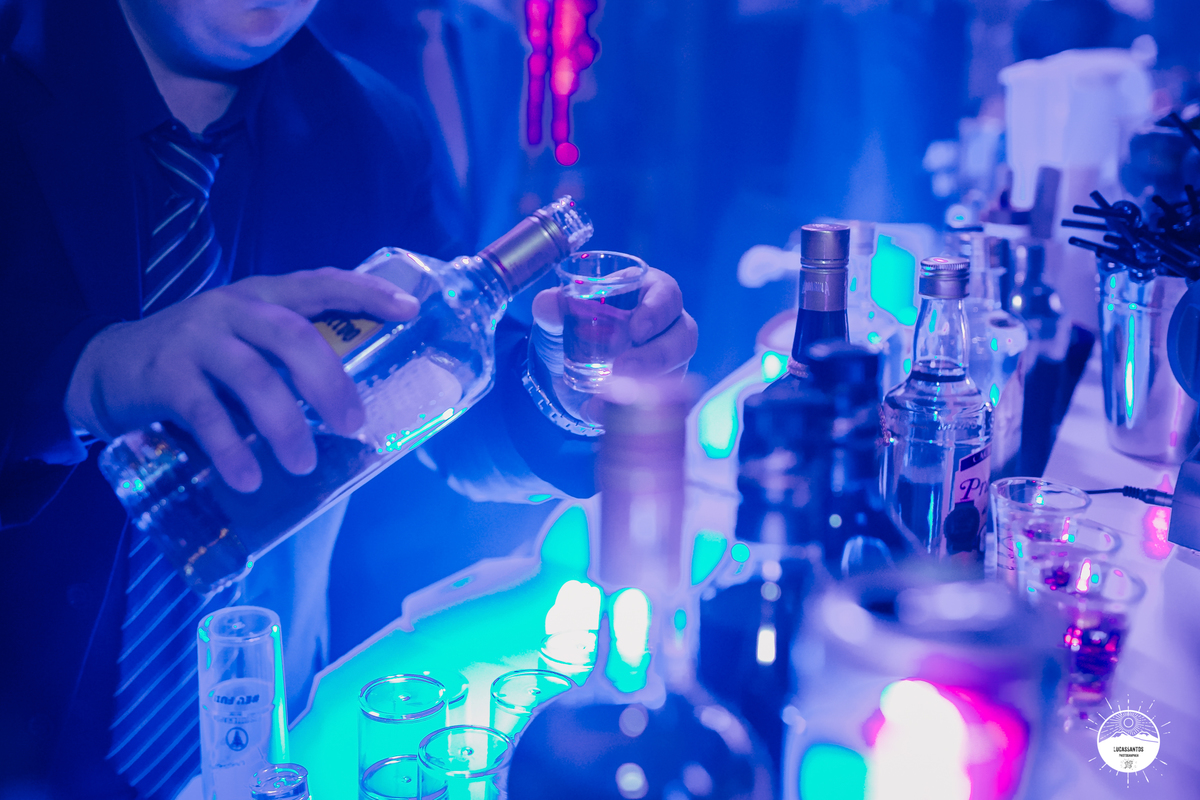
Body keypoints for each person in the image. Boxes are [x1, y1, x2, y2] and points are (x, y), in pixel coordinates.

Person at [0, 0, 698, 797]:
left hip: (272, 745)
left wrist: (570, 386)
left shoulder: (369, 124)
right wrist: (85, 370)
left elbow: (448, 407)